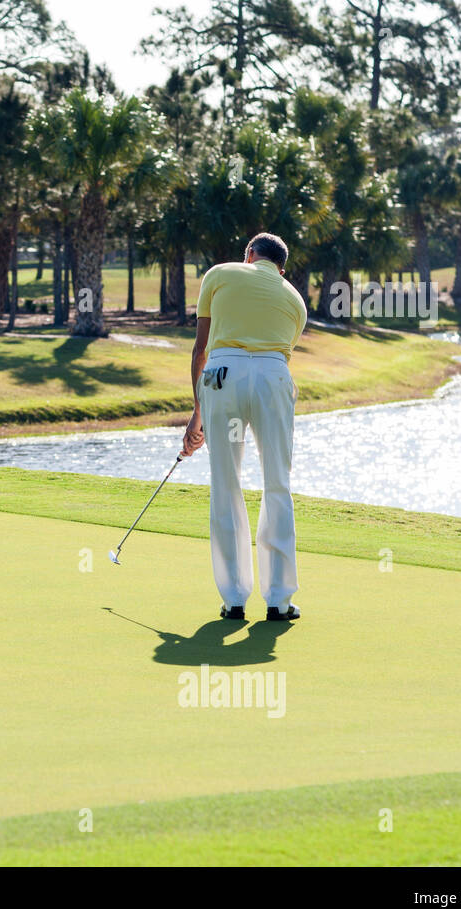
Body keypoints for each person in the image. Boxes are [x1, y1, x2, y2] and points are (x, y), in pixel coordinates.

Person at [179, 233, 307, 622]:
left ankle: (234, 598)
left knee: (226, 482)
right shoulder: (295, 300)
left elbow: (201, 349)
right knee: (277, 483)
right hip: (273, 378)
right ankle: (279, 601)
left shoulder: (219, 274)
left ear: (249, 255)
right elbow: (277, 355)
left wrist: (196, 414)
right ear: (280, 268)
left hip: (223, 375)